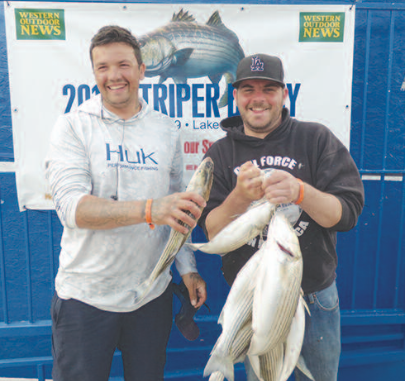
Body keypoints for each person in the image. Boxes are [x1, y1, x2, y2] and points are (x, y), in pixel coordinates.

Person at [45, 25, 207, 381]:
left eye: (123, 65)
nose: (113, 76)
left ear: (141, 69)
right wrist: (151, 210)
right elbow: (73, 209)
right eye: (103, 67)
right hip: (86, 297)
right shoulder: (73, 126)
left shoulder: (166, 129)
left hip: (151, 296)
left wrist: (187, 268)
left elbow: (178, 209)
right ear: (94, 73)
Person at [198, 54, 364, 381]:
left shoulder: (316, 139)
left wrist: (301, 192)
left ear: (284, 94)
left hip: (313, 298)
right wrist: (239, 198)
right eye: (248, 89)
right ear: (235, 96)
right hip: (250, 300)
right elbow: (212, 233)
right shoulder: (220, 153)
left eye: (268, 89)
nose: (258, 98)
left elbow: (347, 215)